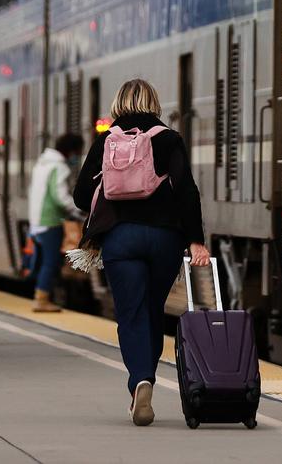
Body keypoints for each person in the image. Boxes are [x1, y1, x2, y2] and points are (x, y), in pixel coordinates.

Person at [72, 78, 208, 427]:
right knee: (152, 310)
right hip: (164, 239)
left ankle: (141, 381)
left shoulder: (107, 139)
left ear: (118, 104)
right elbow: (187, 192)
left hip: (121, 240)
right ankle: (145, 377)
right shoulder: (168, 139)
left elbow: (78, 195)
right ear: (154, 102)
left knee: (131, 314)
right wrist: (196, 241)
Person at [25, 133, 85, 312]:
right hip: (51, 220)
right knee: (51, 261)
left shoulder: (42, 164)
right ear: (71, 151)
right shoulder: (59, 167)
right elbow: (60, 196)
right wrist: (76, 209)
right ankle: (41, 299)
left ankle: (42, 295)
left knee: (45, 260)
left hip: (37, 220)